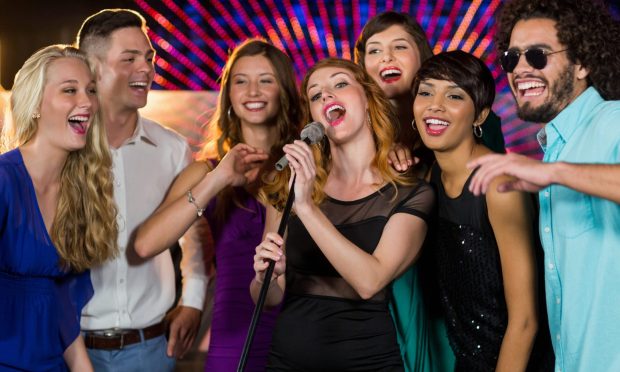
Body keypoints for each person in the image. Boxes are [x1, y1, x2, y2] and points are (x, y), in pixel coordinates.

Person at [466, 0, 620, 370]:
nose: (520, 69)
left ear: (582, 63)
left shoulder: (612, 121)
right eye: (511, 58)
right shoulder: (554, 150)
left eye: (537, 56)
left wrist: (555, 173)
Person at [252, 58, 434, 371]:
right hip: (285, 362)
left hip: (368, 362)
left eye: (339, 84)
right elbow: (267, 298)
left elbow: (369, 281)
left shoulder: (412, 194)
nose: (326, 97)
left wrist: (307, 208)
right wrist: (264, 277)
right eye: (315, 95)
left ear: (367, 100)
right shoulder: (288, 185)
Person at [134, 39, 301, 371]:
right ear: (228, 95)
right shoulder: (206, 170)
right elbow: (146, 243)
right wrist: (218, 178)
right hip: (235, 337)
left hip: (302, 331)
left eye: (266, 80)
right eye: (241, 80)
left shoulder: (310, 166)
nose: (253, 90)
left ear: (284, 90)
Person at [75, 9, 208, 371]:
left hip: (150, 349)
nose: (147, 69)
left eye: (149, 58)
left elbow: (193, 235)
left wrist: (193, 300)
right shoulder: (64, 147)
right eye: (130, 58)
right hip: (68, 347)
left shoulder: (172, 149)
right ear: (93, 68)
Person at [413, 50, 554, 371]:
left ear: (479, 116)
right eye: (425, 92)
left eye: (453, 95)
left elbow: (526, 321)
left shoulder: (499, 186)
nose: (434, 104)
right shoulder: (426, 177)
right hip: (467, 360)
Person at [0, 45, 117, 371]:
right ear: (36, 103)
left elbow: (63, 311)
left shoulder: (83, 190)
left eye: (91, 90)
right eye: (70, 90)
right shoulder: (4, 181)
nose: (88, 102)